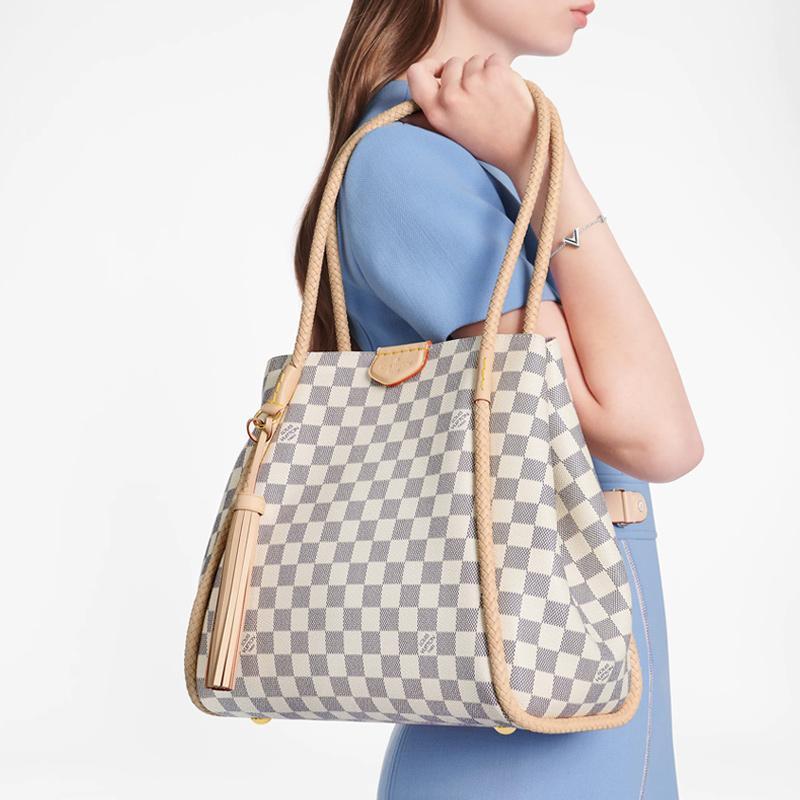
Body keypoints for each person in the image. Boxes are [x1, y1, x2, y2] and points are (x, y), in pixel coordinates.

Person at [294, 2, 704, 797]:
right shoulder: (408, 167)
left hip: (569, 701)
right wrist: (548, 166)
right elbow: (658, 437)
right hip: (524, 735)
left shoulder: (453, 161)